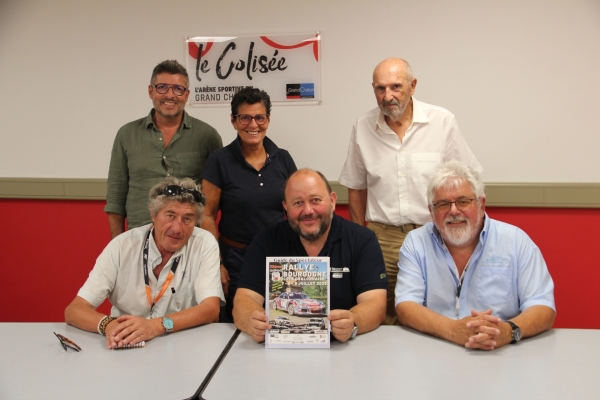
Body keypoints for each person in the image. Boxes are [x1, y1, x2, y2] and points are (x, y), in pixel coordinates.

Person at [339, 57, 483, 325]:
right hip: (383, 240)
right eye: (380, 89)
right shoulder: (363, 127)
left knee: (438, 311)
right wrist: (359, 238)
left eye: (396, 87)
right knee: (383, 315)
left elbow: (469, 180)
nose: (388, 96)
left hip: (436, 236)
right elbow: (357, 187)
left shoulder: (441, 122)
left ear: (412, 85)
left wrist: (467, 235)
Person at [395, 161, 555, 350]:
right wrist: (452, 330)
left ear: (481, 204)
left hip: (503, 351)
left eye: (463, 201)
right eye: (443, 204)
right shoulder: (416, 243)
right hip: (435, 346)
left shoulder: (516, 242)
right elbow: (406, 306)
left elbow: (543, 307)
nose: (453, 211)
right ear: (431, 211)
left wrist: (508, 331)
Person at [65, 177, 224, 349]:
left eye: (188, 219)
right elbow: (74, 311)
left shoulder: (205, 244)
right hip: (125, 345)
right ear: (153, 214)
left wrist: (155, 326)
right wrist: (109, 325)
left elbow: (211, 310)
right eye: (170, 215)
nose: (177, 228)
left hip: (183, 345)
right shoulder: (121, 246)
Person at [233, 169, 387, 343]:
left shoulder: (362, 240)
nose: (308, 211)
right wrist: (251, 322)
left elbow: (376, 304)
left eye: (315, 200)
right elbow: (243, 300)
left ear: (333, 201)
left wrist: (352, 321)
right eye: (298, 203)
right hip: (281, 348)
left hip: (344, 349)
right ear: (286, 207)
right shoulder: (265, 241)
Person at [201, 87, 297, 322]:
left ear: (268, 120)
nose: (253, 124)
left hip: (278, 258)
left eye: (259, 117)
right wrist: (218, 264)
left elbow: (296, 210)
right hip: (235, 258)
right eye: (245, 117)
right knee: (241, 322)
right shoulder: (219, 160)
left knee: (283, 319)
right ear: (234, 121)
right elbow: (206, 215)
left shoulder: (283, 158)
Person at [105, 60, 222, 238]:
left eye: (177, 89)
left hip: (189, 238)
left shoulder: (208, 136)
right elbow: (115, 198)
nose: (170, 95)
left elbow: (212, 204)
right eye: (162, 87)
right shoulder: (127, 134)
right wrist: (119, 247)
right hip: (138, 237)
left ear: (187, 94)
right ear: (150, 91)